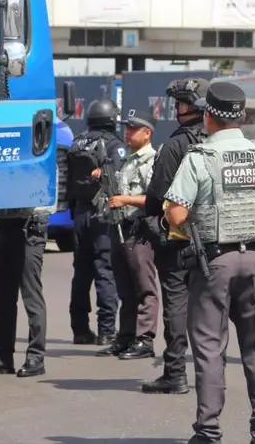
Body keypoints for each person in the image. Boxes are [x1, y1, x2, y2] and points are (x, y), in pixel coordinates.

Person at [163, 81, 255, 444]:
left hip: (214, 263)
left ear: (208, 117)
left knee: (210, 349)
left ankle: (209, 431)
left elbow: (176, 214)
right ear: (241, 117)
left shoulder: (200, 157)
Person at [141, 77, 209, 394]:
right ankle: (213, 374)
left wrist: (151, 221)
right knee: (212, 309)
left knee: (177, 305)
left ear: (190, 106)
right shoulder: (219, 142)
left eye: (180, 103)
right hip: (216, 239)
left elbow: (157, 194)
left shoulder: (176, 145)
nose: (177, 109)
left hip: (179, 237)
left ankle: (175, 373)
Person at [95, 109, 160, 360]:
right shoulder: (126, 160)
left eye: (133, 128)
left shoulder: (151, 161)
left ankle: (145, 339)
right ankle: (125, 337)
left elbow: (154, 198)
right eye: (126, 127)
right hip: (118, 228)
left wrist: (125, 200)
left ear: (147, 133)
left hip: (138, 230)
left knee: (144, 288)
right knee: (124, 288)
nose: (127, 132)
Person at [66, 99, 126, 346]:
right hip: (103, 214)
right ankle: (106, 330)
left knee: (81, 273)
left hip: (80, 214)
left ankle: (80, 329)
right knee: (105, 271)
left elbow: (68, 181)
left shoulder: (77, 142)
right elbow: (119, 177)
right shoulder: (114, 145)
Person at [0, 213, 49, 378]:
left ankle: (36, 357)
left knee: (31, 297)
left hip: (29, 229)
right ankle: (3, 356)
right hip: (3, 227)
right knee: (2, 299)